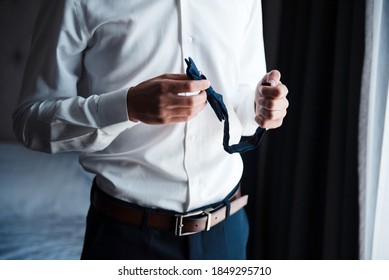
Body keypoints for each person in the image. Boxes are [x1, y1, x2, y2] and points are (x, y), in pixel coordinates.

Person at [13, 0, 289, 260]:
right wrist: (127, 107)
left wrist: (260, 106)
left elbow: (242, 91)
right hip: (126, 237)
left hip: (226, 232)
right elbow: (30, 122)